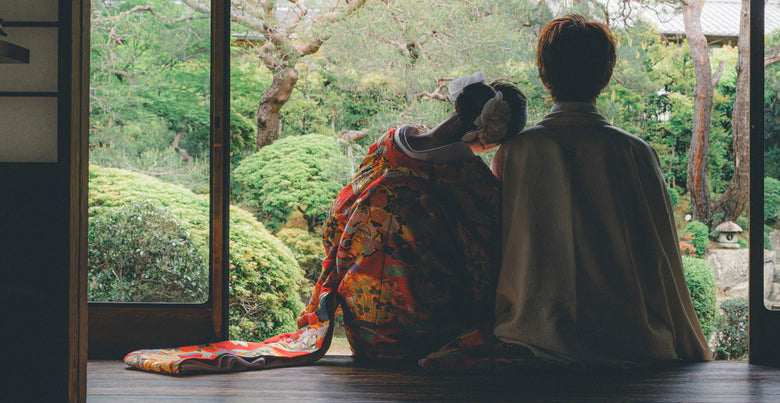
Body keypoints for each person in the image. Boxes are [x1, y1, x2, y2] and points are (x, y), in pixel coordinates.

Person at [123, 75, 527, 375]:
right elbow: (491, 252)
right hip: (426, 333)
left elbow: (339, 216)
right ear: (488, 135)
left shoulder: (389, 144)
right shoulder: (465, 177)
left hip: (364, 327)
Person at [488, 15, 712, 365]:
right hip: (630, 342)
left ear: (544, 73)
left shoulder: (515, 152)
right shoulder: (635, 153)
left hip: (531, 340)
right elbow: (661, 260)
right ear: (606, 74)